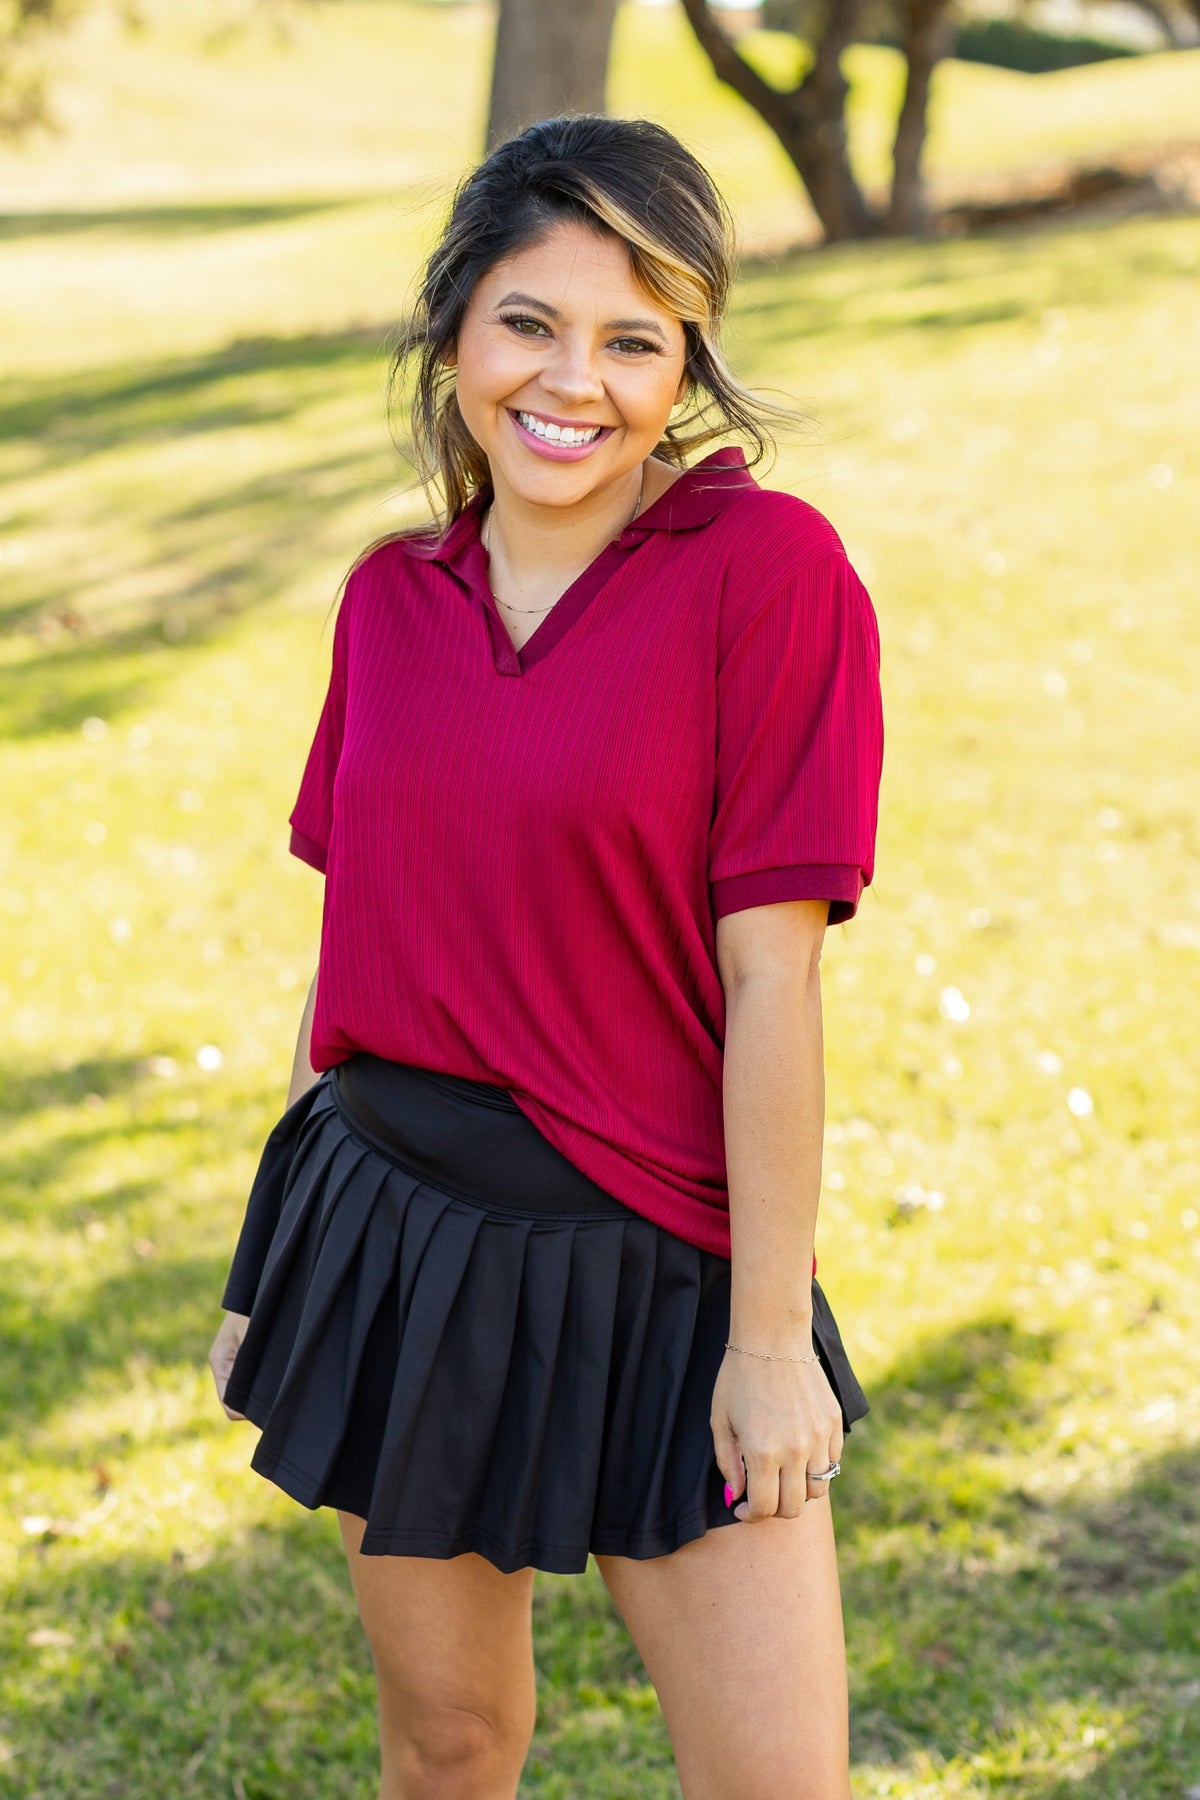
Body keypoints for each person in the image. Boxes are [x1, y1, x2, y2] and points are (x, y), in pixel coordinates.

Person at [209, 113, 884, 1800]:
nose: (572, 382)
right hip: (397, 1236)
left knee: (776, 1785)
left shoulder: (768, 574)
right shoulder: (390, 598)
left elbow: (774, 981)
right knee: (448, 1744)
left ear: (687, 365)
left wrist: (766, 1340)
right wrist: (270, 1269)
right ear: (455, 332)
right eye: (529, 322)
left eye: (634, 341)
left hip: (663, 1259)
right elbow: (347, 952)